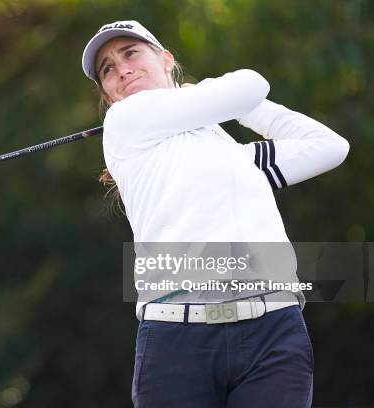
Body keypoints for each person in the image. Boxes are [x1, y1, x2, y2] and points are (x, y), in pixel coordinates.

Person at [81, 20, 350, 408]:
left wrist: (234, 106)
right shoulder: (126, 121)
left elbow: (329, 145)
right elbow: (251, 83)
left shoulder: (236, 159)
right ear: (108, 95)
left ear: (166, 59)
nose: (121, 69)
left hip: (273, 331)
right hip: (178, 336)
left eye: (131, 53)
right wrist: (217, 96)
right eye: (107, 68)